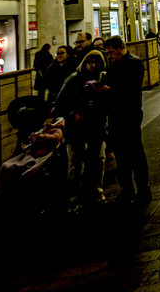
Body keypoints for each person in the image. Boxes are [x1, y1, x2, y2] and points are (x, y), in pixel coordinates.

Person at [53, 49, 108, 209]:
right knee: (75, 163)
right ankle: (75, 197)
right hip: (75, 128)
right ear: (85, 63)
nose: (93, 65)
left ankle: (96, 191)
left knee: (97, 160)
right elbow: (59, 104)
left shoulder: (103, 78)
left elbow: (110, 100)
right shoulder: (73, 79)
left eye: (96, 62)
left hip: (96, 125)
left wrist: (99, 103)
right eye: (90, 62)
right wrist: (73, 114)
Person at [101, 36, 151, 206]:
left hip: (130, 113)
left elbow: (131, 89)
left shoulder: (134, 63)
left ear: (121, 48)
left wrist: (108, 89)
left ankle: (143, 189)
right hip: (115, 114)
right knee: (121, 155)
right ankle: (126, 189)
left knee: (135, 153)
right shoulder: (112, 65)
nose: (109, 56)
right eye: (107, 53)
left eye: (111, 52)